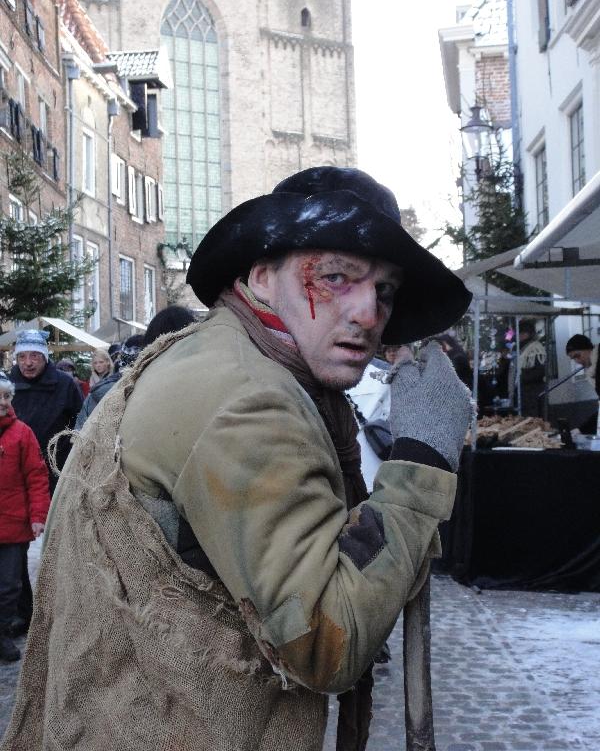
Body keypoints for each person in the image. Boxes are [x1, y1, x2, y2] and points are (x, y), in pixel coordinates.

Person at [2, 167, 472, 751]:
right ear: (261, 275)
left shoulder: (219, 354)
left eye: (384, 290)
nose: (369, 313)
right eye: (334, 277)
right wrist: (423, 460)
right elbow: (330, 643)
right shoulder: (250, 399)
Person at [0, 372, 50, 663]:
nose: (4, 403)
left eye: (7, 397)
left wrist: (38, 514)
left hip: (13, 525)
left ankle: (2, 632)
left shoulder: (22, 433)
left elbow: (36, 476)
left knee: (8, 586)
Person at [9, 330, 83, 495]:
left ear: (45, 357)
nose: (27, 363)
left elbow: (81, 421)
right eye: (22, 356)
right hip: (16, 471)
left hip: (57, 469)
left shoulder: (65, 384)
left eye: (34, 356)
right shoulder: (7, 387)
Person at [75, 335, 147, 430]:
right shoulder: (95, 387)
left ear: (108, 362)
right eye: (95, 363)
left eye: (101, 362)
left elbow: (79, 431)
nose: (98, 366)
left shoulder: (101, 387)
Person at [565, 333, 599, 433]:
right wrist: (581, 430)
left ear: (589, 349)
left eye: (577, 356)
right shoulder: (593, 369)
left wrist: (582, 430)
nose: (577, 361)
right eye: (573, 358)